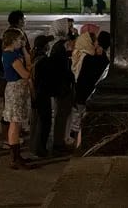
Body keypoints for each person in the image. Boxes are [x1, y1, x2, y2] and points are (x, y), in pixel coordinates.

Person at [70, 31, 111, 148]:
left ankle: (79, 146)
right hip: (95, 96)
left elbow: (82, 80)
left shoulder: (89, 59)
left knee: (82, 123)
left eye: (97, 40)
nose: (95, 42)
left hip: (84, 96)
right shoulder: (105, 61)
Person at [0, 28, 33, 169]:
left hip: (19, 89)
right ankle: (14, 158)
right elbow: (25, 74)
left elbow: (28, 61)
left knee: (18, 122)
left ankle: (17, 155)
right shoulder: (10, 55)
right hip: (15, 90)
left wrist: (24, 49)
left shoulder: (15, 52)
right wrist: (31, 68)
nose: (22, 42)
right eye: (20, 39)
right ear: (13, 40)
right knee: (14, 122)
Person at [47, 17, 77, 154]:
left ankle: (60, 140)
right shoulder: (58, 45)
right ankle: (58, 143)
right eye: (69, 27)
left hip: (62, 84)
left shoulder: (59, 44)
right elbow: (61, 66)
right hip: (61, 85)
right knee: (60, 114)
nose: (71, 30)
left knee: (63, 113)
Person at [29, 35, 57, 158]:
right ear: (45, 46)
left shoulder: (35, 58)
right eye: (47, 43)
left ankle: (35, 147)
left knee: (37, 121)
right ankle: (40, 149)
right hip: (42, 94)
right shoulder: (44, 60)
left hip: (36, 93)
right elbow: (47, 79)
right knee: (44, 122)